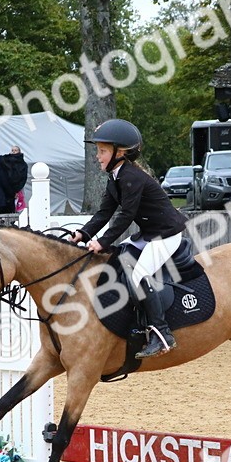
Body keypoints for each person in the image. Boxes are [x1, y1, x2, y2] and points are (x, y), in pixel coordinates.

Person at [70, 119, 188, 359]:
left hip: (166, 234)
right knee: (120, 259)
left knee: (140, 274)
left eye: (102, 151)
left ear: (120, 153)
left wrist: (102, 242)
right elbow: (104, 212)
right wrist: (83, 233)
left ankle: (162, 334)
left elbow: (126, 215)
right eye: (98, 151)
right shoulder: (115, 177)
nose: (97, 156)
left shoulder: (130, 176)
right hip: (148, 234)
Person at [0, 145, 29, 213]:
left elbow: (23, 177)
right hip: (8, 188)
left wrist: (17, 188)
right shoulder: (5, 161)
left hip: (18, 188)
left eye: (15, 150)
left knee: (19, 205)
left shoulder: (22, 164)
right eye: (12, 150)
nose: (14, 152)